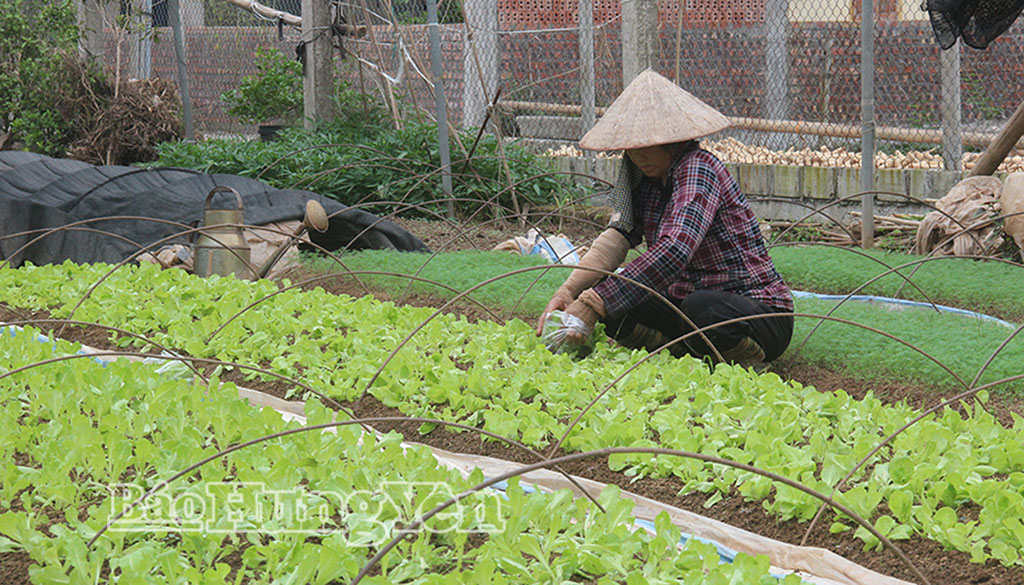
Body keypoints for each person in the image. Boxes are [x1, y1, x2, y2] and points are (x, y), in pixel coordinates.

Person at [537, 70, 793, 366]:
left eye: (648, 146)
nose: (639, 156)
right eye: (632, 148)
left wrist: (594, 303)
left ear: (672, 140)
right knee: (615, 300)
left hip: (754, 310)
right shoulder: (644, 178)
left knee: (704, 308)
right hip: (685, 306)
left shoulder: (698, 169)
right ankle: (681, 355)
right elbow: (618, 236)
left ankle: (743, 364)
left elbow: (675, 250)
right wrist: (570, 292)